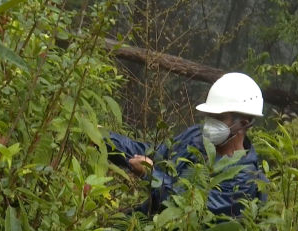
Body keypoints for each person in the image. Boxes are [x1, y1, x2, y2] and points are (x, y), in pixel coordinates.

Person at [107, 72, 267, 216]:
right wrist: (105, 139)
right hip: (149, 218)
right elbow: (156, 154)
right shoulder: (196, 137)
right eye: (209, 116)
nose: (209, 123)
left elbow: (192, 209)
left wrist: (150, 176)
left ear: (243, 124)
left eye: (220, 118)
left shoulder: (245, 179)